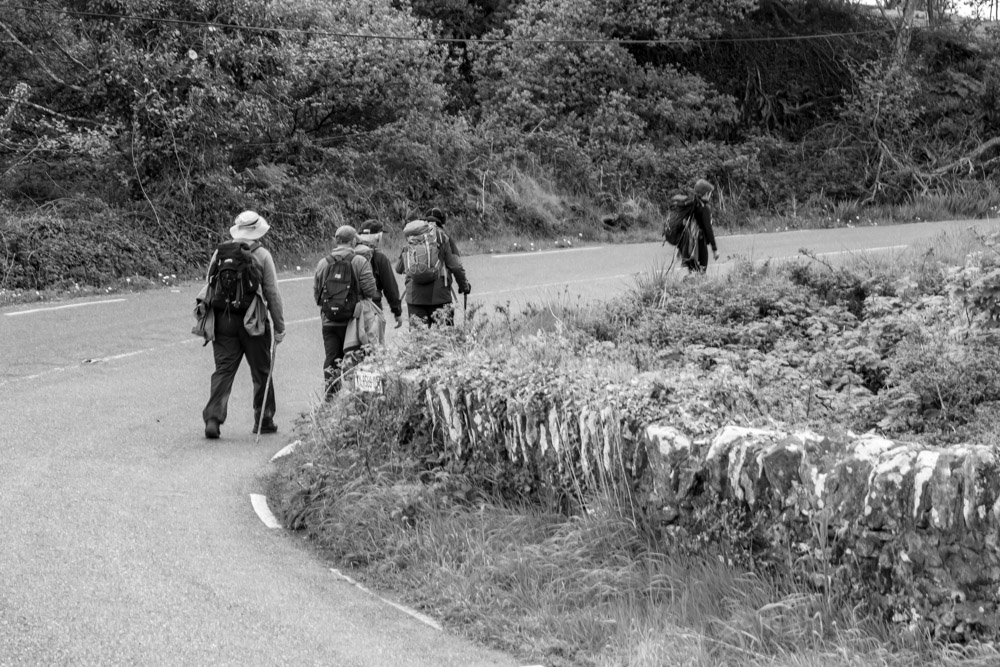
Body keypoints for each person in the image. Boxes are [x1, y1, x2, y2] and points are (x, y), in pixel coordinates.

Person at [198, 210, 285, 439]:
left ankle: (213, 419)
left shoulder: (220, 251)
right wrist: (279, 325)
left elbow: (209, 283)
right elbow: (272, 293)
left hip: (223, 319)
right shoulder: (263, 254)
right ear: (258, 231)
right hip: (253, 320)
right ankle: (264, 419)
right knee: (261, 370)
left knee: (224, 370)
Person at [314, 225, 379, 398]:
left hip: (329, 322)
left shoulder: (323, 263)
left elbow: (317, 295)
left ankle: (330, 400)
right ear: (353, 241)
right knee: (360, 359)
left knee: (332, 360)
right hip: (354, 323)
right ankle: (362, 398)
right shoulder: (359, 261)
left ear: (336, 241)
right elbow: (370, 290)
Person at [395, 215, 471, 327]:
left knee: (419, 339)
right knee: (445, 338)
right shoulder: (443, 237)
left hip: (415, 298)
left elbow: (399, 268)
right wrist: (464, 287)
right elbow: (456, 267)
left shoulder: (412, 237)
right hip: (440, 297)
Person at [355, 219, 404, 329]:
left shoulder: (349, 253)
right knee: (375, 344)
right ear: (378, 237)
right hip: (373, 308)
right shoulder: (379, 258)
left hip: (349, 308)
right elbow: (390, 287)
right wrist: (397, 311)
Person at [681, 179, 720, 273]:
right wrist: (714, 249)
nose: (710, 196)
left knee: (693, 272)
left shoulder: (691, 205)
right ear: (706, 194)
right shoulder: (704, 209)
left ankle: (689, 286)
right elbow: (708, 229)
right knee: (701, 272)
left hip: (689, 244)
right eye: (710, 193)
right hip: (699, 244)